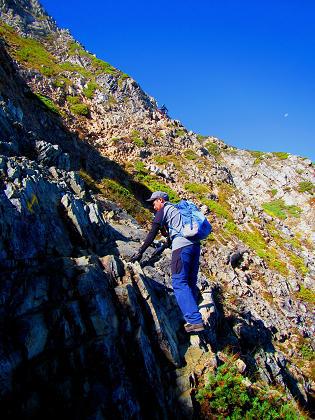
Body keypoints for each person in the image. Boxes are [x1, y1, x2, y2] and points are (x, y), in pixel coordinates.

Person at [130, 191, 205, 333]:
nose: (153, 206)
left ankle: (195, 321)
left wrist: (140, 251)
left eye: (154, 202)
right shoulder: (177, 210)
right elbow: (171, 236)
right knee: (190, 282)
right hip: (195, 246)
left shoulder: (164, 210)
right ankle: (192, 316)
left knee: (178, 282)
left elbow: (152, 232)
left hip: (182, 248)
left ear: (160, 200)